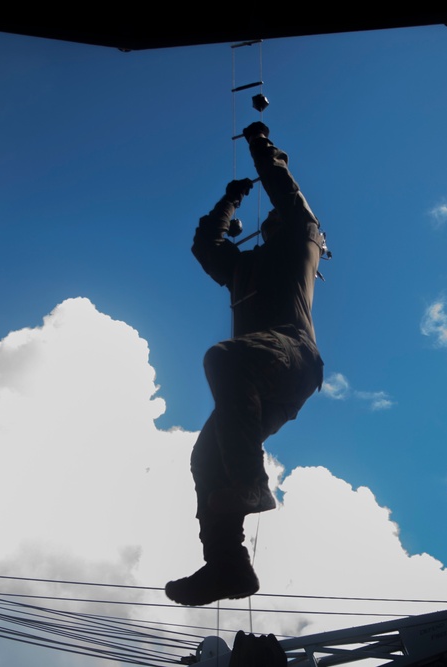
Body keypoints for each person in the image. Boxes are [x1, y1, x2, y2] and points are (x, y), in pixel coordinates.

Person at [165, 122, 325, 606]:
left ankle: (252, 485)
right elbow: (205, 245)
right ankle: (228, 567)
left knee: (224, 358)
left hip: (290, 356)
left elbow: (284, 189)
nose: (274, 218)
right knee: (205, 457)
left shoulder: (304, 238)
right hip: (258, 381)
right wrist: (229, 199)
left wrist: (260, 148)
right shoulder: (241, 270)